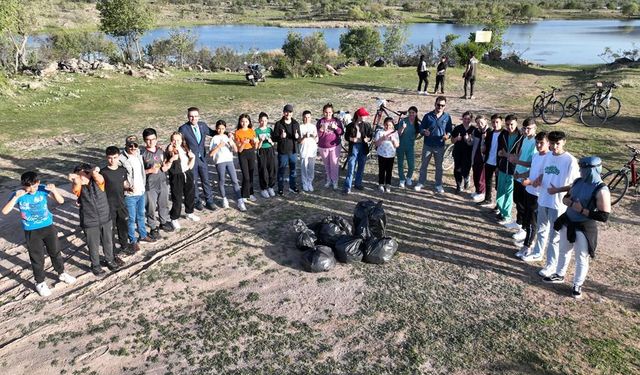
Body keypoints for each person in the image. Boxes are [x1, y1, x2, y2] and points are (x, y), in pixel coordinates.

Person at [542, 156, 611, 299]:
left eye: (583, 168)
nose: (580, 171)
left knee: (581, 256)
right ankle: (559, 274)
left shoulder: (602, 190)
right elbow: (566, 198)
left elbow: (603, 216)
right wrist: (567, 201)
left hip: (584, 227)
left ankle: (577, 284)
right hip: (568, 221)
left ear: (593, 169)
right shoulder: (578, 181)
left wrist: (580, 209)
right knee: (563, 250)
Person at [2, 171, 76, 297]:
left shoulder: (42, 189)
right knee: (37, 258)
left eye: (34, 186)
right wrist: (15, 197)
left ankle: (61, 273)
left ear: (38, 183)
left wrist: (54, 190)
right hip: (32, 231)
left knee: (55, 252)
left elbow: (61, 201)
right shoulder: (18, 194)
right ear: (23, 185)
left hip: (48, 227)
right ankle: (40, 282)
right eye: (28, 186)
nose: (31, 189)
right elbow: (5, 211)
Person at [522, 131, 580, 280]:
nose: (554, 147)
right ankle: (537, 253)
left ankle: (551, 266)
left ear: (564, 142)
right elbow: (543, 172)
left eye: (557, 144)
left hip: (558, 204)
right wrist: (539, 180)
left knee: (554, 237)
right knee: (541, 229)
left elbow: (575, 184)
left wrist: (558, 190)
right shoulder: (547, 156)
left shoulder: (570, 160)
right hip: (543, 199)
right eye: (552, 143)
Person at [69, 164, 120, 276]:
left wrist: (94, 171)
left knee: (108, 241)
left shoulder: (98, 182)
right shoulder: (78, 187)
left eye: (84, 174)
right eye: (79, 175)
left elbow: (98, 177)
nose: (82, 177)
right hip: (89, 221)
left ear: (89, 174)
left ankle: (110, 260)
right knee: (93, 245)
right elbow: (75, 188)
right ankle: (96, 265)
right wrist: (76, 179)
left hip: (105, 217)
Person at [515, 131, 548, 259]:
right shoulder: (536, 156)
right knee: (527, 219)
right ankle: (528, 242)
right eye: (537, 143)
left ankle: (528, 246)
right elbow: (531, 171)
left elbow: (544, 177)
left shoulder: (549, 158)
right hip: (529, 191)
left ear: (547, 144)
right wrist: (521, 176)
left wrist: (531, 182)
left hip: (538, 195)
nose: (539, 145)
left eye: (542, 143)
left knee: (532, 222)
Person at [120, 135, 155, 251]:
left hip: (141, 191)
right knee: (131, 218)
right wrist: (126, 186)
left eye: (135, 145)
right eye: (130, 146)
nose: (133, 148)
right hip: (130, 194)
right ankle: (132, 240)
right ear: (126, 145)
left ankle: (143, 235)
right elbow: (119, 176)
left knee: (141, 215)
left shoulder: (139, 154)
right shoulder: (121, 159)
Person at [178, 107, 216, 211]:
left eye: (195, 116)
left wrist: (226, 133)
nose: (193, 118)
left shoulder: (202, 125)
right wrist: (187, 152)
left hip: (202, 158)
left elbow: (213, 133)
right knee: (193, 180)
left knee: (206, 179)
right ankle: (197, 200)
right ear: (188, 117)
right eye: (191, 116)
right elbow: (180, 143)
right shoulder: (183, 129)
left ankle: (209, 200)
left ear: (198, 116)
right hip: (192, 159)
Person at [415, 96, 453, 194]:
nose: (440, 107)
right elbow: (421, 128)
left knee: (439, 167)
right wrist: (424, 131)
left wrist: (447, 136)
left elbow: (449, 130)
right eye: (438, 104)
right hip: (428, 145)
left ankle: (438, 184)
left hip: (440, 145)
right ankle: (421, 182)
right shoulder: (428, 116)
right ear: (435, 104)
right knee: (424, 165)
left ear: (445, 106)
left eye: (442, 105)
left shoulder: (447, 117)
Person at [141, 128, 174, 239]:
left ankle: (164, 222)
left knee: (163, 203)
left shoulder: (161, 151)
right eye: (148, 140)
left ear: (157, 138)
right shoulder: (142, 154)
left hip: (163, 182)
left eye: (153, 139)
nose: (151, 142)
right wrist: (149, 171)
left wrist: (166, 165)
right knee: (151, 207)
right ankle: (153, 227)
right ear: (144, 140)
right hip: (150, 185)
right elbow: (139, 172)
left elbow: (165, 163)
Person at [509, 118, 538, 242]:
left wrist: (517, 162)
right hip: (518, 173)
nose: (526, 131)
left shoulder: (536, 143)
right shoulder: (525, 139)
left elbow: (532, 163)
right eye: (524, 128)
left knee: (525, 205)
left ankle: (524, 229)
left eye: (529, 128)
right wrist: (516, 167)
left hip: (526, 176)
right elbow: (520, 153)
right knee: (517, 200)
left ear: (534, 128)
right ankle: (519, 223)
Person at [166, 131, 200, 229]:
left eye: (178, 140)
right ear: (171, 140)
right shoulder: (170, 149)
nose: (176, 142)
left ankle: (189, 212)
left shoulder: (184, 148)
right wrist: (172, 154)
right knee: (177, 198)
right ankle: (174, 218)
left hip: (187, 173)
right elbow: (168, 156)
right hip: (176, 176)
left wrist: (192, 158)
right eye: (173, 140)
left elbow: (190, 165)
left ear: (181, 140)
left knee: (190, 194)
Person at [101, 146, 131, 256]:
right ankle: (112, 253)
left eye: (115, 157)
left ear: (118, 157)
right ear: (106, 158)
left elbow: (123, 184)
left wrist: (128, 188)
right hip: (109, 206)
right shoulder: (103, 172)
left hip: (121, 204)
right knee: (110, 231)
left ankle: (124, 246)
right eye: (110, 158)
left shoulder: (122, 170)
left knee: (123, 227)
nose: (112, 160)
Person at [495, 114, 524, 228]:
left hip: (513, 170)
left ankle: (507, 216)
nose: (509, 127)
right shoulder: (503, 134)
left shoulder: (521, 137)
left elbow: (517, 156)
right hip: (502, 167)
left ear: (516, 123)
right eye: (507, 124)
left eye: (511, 124)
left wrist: (506, 155)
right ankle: (501, 212)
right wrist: (498, 163)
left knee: (509, 193)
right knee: (500, 191)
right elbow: (499, 151)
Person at [209, 120, 244, 211]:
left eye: (223, 128)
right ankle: (224, 199)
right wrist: (219, 146)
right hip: (220, 161)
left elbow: (236, 150)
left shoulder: (227, 137)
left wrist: (232, 143)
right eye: (219, 128)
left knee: (234, 180)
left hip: (229, 160)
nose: (221, 130)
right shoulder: (214, 138)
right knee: (222, 180)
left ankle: (240, 200)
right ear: (216, 129)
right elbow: (211, 154)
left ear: (225, 128)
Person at [272, 104, 301, 196]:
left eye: (290, 112)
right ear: (284, 112)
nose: (288, 113)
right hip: (283, 152)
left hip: (293, 151)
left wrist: (297, 137)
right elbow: (274, 138)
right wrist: (280, 137)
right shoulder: (278, 124)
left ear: (292, 113)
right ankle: (280, 188)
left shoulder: (296, 123)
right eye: (286, 111)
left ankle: (292, 186)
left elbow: (298, 137)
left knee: (293, 170)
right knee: (281, 170)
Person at [343, 107, 373, 194]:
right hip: (354, 148)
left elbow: (371, 135)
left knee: (361, 167)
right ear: (359, 116)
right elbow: (346, 137)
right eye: (364, 115)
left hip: (363, 148)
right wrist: (352, 139)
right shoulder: (350, 125)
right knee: (351, 167)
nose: (365, 117)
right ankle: (347, 186)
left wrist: (368, 139)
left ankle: (358, 183)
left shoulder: (367, 125)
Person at [316, 103, 344, 190]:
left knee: (334, 164)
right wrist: (321, 130)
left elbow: (341, 132)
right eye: (326, 112)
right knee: (327, 165)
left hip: (335, 146)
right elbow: (317, 136)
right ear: (323, 112)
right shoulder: (320, 121)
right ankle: (329, 179)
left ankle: (335, 180)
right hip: (323, 146)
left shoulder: (336, 121)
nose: (328, 114)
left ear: (332, 112)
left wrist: (336, 128)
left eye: (329, 112)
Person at [479, 114, 503, 207]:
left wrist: (499, 165)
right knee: (488, 182)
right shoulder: (490, 133)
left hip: (498, 163)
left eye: (497, 122)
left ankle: (499, 205)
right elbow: (486, 146)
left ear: (501, 122)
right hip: (489, 161)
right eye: (493, 122)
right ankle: (487, 199)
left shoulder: (504, 133)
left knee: (498, 186)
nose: (495, 124)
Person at [235, 114, 259, 205]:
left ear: (249, 122)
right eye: (242, 121)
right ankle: (244, 194)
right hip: (243, 154)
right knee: (246, 176)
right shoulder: (237, 132)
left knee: (251, 174)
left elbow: (255, 147)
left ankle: (251, 193)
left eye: (246, 121)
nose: (244, 123)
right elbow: (239, 150)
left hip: (251, 153)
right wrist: (244, 143)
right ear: (239, 122)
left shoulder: (251, 131)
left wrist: (256, 142)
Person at [451, 111, 475, 193]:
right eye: (465, 118)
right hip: (458, 152)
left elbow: (476, 142)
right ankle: (458, 185)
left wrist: (469, 140)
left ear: (471, 119)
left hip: (468, 153)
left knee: (466, 169)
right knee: (457, 169)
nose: (466, 120)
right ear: (462, 118)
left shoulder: (474, 129)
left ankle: (466, 178)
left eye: (468, 119)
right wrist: (456, 139)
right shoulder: (458, 128)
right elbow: (452, 140)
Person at [395, 106, 420, 188]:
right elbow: (398, 133)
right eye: (410, 112)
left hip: (410, 146)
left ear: (416, 113)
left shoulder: (417, 123)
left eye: (413, 112)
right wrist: (403, 127)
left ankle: (409, 177)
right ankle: (402, 179)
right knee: (400, 163)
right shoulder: (403, 121)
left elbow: (420, 133)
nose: (411, 114)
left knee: (411, 164)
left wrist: (415, 138)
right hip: (401, 145)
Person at [375, 117, 400, 192]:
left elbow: (397, 145)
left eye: (389, 125)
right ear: (383, 124)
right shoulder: (380, 132)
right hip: (381, 154)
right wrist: (382, 138)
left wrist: (393, 140)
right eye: (386, 125)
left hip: (391, 155)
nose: (387, 127)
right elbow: (376, 144)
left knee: (389, 170)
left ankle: (388, 184)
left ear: (392, 125)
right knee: (381, 170)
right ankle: (381, 184)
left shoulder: (395, 133)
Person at [255, 112, 277, 198]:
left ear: (267, 121)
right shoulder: (256, 131)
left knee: (272, 168)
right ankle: (263, 188)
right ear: (259, 121)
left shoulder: (269, 130)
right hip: (262, 150)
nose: (263, 122)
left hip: (270, 150)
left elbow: (273, 143)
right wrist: (261, 140)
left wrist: (271, 141)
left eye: (265, 120)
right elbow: (257, 147)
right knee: (263, 169)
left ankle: (270, 187)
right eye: (261, 121)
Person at [470, 115, 489, 202]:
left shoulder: (489, 131)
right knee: (476, 175)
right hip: (475, 156)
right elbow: (471, 143)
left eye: (481, 122)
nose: (480, 124)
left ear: (485, 121)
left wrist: (484, 139)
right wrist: (468, 140)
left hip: (484, 158)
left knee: (482, 176)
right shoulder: (476, 131)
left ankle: (482, 193)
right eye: (477, 123)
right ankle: (477, 191)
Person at [299, 110, 318, 192]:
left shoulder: (313, 126)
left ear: (311, 118)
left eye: (308, 117)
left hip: (312, 150)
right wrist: (304, 136)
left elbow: (316, 139)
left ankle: (310, 182)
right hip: (304, 150)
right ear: (303, 118)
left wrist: (313, 136)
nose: (307, 119)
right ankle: (304, 182)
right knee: (304, 167)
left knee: (311, 167)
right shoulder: (300, 127)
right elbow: (300, 141)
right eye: (305, 117)